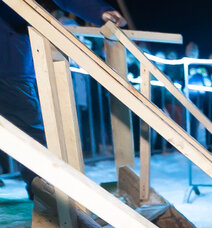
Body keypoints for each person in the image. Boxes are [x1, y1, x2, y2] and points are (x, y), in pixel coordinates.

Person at [0, 1, 125, 196]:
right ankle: (44, 191)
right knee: (28, 131)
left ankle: (45, 193)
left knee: (29, 134)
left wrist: (100, 11)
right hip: (12, 62)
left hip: (10, 66)